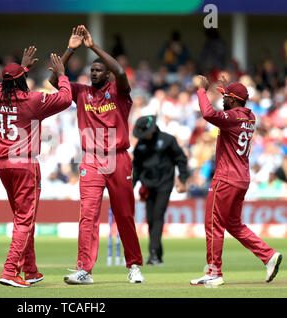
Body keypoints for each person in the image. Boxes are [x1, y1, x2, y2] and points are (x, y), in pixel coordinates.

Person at [49, 25, 145, 285]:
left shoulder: (119, 92)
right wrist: (70, 50)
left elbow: (122, 72)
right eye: (91, 70)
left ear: (108, 75)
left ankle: (134, 265)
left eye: (98, 70)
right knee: (88, 216)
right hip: (91, 158)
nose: (93, 73)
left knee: (124, 214)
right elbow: (53, 82)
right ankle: (84, 270)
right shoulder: (80, 93)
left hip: (119, 157)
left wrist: (92, 47)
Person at [190, 75, 282, 286]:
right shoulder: (250, 117)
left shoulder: (232, 117)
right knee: (233, 224)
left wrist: (202, 91)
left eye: (225, 97)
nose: (222, 100)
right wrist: (228, 89)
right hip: (242, 178)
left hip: (226, 178)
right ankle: (268, 255)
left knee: (213, 224)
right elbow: (234, 109)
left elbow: (207, 113)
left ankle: (214, 272)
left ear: (233, 100)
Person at [0, 46, 72, 287]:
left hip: (3, 164)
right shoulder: (32, 101)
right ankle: (9, 271)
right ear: (21, 81)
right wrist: (62, 75)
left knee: (22, 219)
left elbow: (4, 84)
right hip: (24, 164)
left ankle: (31, 270)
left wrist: (22, 69)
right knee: (25, 221)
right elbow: (66, 98)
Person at [132, 115, 189, 265]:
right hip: (148, 187)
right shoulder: (141, 145)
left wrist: (182, 179)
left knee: (158, 216)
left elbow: (181, 158)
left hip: (164, 184)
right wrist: (130, 186)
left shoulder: (167, 140)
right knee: (151, 220)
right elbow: (136, 168)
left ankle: (153, 255)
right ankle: (158, 253)